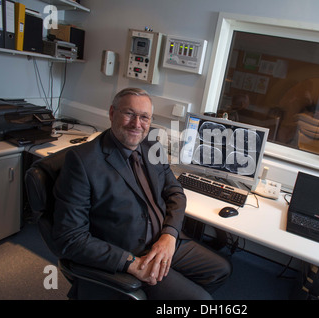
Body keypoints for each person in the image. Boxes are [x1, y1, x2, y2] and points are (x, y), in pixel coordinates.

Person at [52, 88, 231, 299]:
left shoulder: (151, 145)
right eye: (129, 113)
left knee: (219, 270)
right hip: (130, 252)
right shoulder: (83, 162)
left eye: (144, 117)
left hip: (163, 241)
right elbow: (70, 238)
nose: (137, 124)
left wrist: (169, 235)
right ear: (112, 113)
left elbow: (175, 192)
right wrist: (129, 263)